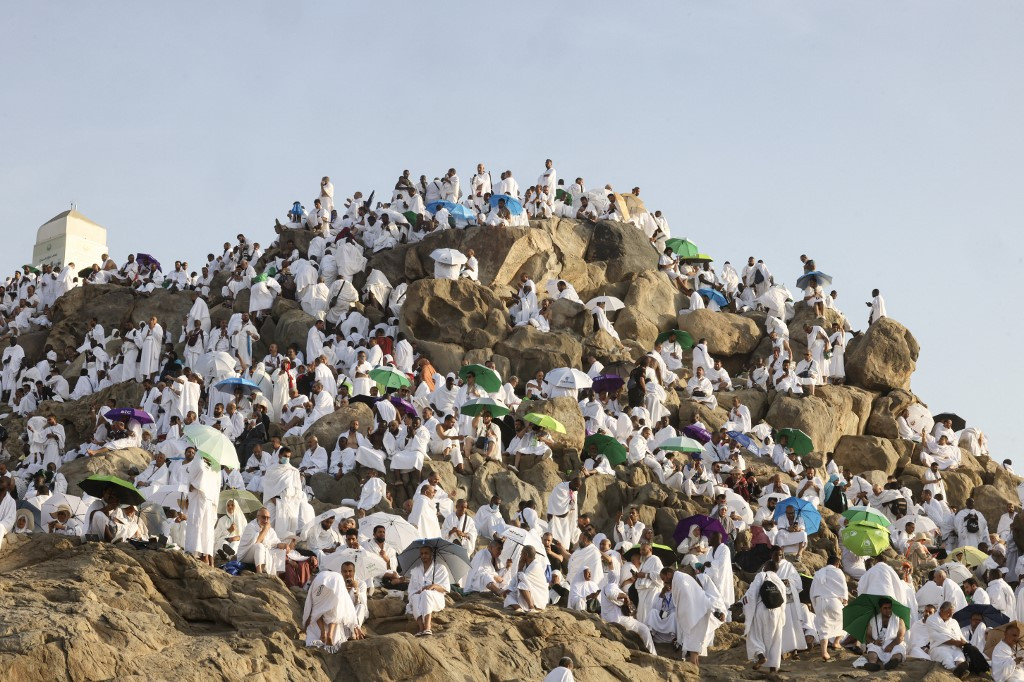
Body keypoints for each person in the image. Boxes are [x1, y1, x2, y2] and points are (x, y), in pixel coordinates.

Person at [743, 561, 787, 672]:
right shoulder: (780, 582)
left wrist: (742, 602)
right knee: (775, 639)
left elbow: (752, 592)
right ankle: (773, 669)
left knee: (754, 634)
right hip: (777, 611)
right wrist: (782, 617)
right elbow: (783, 601)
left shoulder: (762, 575)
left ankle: (761, 656)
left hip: (762, 609)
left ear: (766, 567)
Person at [809, 554, 848, 661]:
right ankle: (836, 642)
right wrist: (845, 600)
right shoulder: (838, 572)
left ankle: (824, 652)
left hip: (820, 601)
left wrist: (814, 604)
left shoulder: (819, 573)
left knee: (823, 627)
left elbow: (812, 590)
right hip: (834, 601)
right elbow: (843, 587)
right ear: (837, 564)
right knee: (844, 620)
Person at [407, 546, 450, 636]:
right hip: (419, 597)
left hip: (435, 598)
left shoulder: (440, 568)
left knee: (427, 593)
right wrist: (418, 591)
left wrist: (433, 586)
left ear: (431, 554)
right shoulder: (416, 570)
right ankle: (421, 628)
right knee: (415, 597)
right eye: (422, 554)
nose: (424, 555)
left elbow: (445, 588)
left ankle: (427, 627)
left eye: (426, 553)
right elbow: (411, 590)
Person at [863, 596, 907, 671]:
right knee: (872, 647)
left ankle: (893, 662)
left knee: (900, 647)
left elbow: (900, 637)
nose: (888, 610)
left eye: (889, 608)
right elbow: (868, 636)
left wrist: (891, 646)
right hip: (879, 644)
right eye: (885, 608)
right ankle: (873, 664)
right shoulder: (873, 620)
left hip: (894, 644)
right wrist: (874, 642)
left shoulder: (899, 620)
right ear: (880, 609)